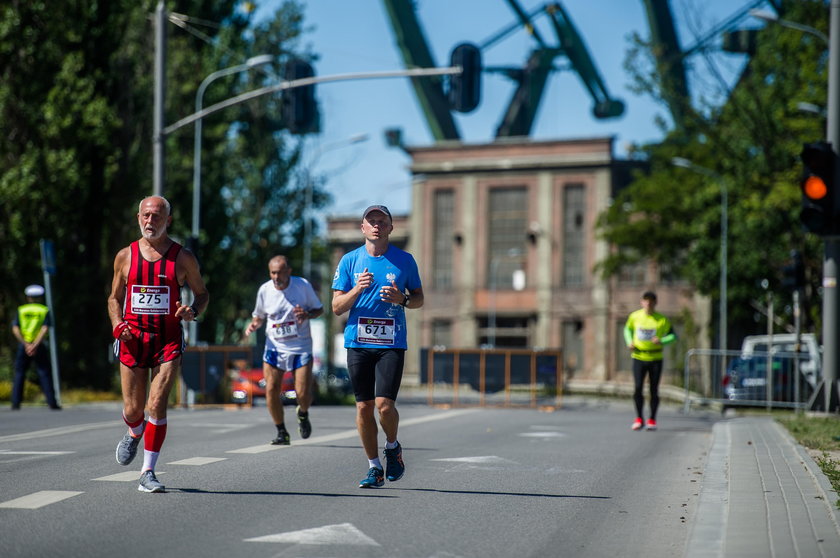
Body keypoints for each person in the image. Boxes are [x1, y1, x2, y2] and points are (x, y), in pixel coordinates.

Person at [107, 195, 209, 493]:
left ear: (169, 220)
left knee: (156, 405)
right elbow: (114, 298)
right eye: (146, 216)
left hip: (167, 340)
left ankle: (148, 472)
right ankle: (134, 431)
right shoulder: (125, 256)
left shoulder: (183, 257)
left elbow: (202, 294)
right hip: (132, 338)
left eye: (157, 216)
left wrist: (193, 310)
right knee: (134, 409)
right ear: (138, 217)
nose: (150, 221)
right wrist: (117, 324)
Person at [331, 205, 424, 488]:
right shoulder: (349, 261)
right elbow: (336, 307)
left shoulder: (405, 261)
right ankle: (374, 468)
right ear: (362, 228)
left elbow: (419, 298)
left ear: (390, 228)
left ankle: (393, 447)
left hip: (391, 342)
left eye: (382, 222)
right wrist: (357, 289)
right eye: (371, 221)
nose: (376, 226)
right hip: (358, 341)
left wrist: (403, 299)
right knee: (363, 407)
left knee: (384, 406)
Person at [243, 255, 324, 445]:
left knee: (302, 393)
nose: (276, 277)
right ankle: (281, 432)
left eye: (280, 272)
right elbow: (259, 316)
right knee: (271, 389)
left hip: (300, 347)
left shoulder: (302, 286)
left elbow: (319, 309)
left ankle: (302, 413)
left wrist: (307, 314)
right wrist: (254, 325)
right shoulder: (265, 290)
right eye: (273, 273)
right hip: (275, 347)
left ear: (289, 271)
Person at [624, 291, 676, 431]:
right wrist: (629, 341)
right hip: (639, 357)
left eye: (651, 301)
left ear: (655, 303)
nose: (648, 303)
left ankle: (652, 419)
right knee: (638, 388)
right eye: (646, 301)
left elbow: (673, 336)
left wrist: (662, 340)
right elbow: (627, 330)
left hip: (655, 358)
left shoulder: (662, 320)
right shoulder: (635, 316)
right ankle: (639, 418)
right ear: (641, 302)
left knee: (654, 389)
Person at [11, 284, 60, 410]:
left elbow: (15, 328)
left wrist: (25, 344)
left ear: (28, 297)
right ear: (40, 297)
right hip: (38, 345)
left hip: (24, 344)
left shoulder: (21, 310)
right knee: (44, 372)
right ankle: (52, 402)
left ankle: (16, 403)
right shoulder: (43, 310)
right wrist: (35, 344)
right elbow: (44, 329)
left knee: (20, 373)